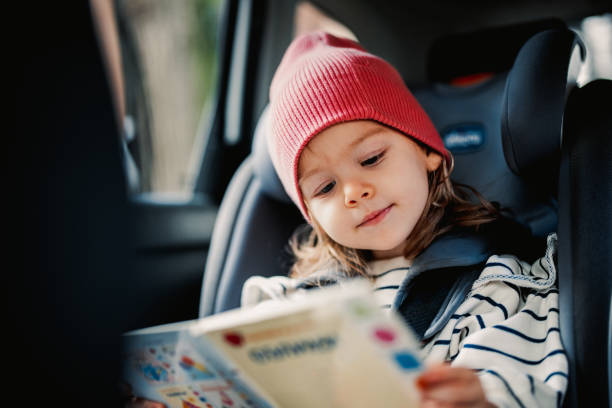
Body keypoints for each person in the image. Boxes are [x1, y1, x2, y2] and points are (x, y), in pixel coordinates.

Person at [240, 31, 568, 408]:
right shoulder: (290, 308)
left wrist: (482, 399)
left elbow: (522, 383)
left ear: (427, 151)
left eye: (371, 159)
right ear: (311, 215)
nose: (353, 192)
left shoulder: (494, 287)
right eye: (326, 187)